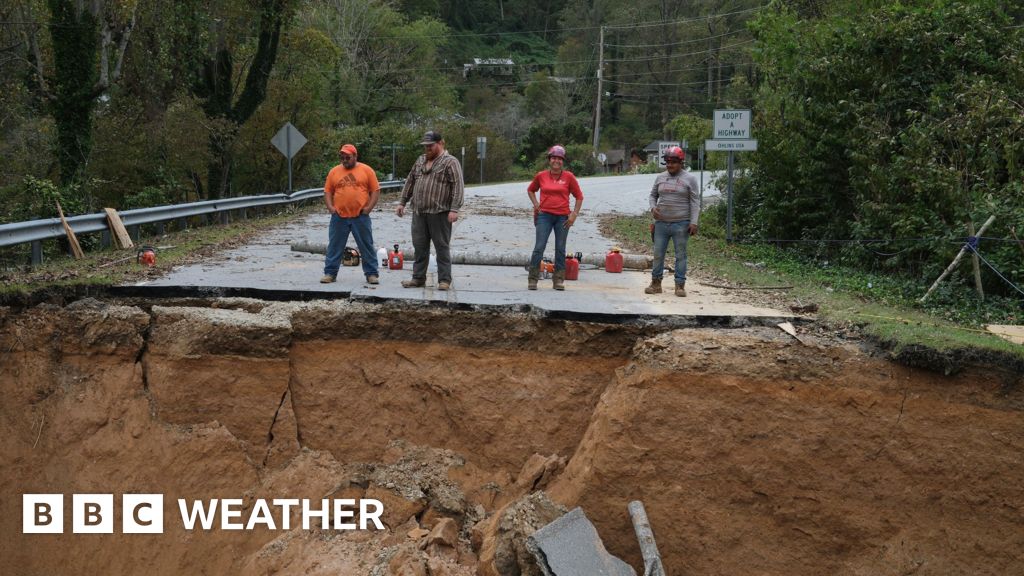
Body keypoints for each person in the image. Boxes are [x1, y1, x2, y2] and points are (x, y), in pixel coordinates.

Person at [395, 130, 464, 290]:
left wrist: (454, 209)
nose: (427, 148)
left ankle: (444, 280)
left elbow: (458, 186)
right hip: (419, 212)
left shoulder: (450, 162)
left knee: (442, 247)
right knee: (419, 247)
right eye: (425, 146)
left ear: (441, 143)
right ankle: (418, 278)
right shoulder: (420, 161)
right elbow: (410, 181)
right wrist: (402, 202)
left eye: (431, 145)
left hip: (440, 213)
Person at [321, 143, 381, 285]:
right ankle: (330, 273)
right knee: (335, 246)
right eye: (342, 157)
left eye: (347, 157)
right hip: (339, 217)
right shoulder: (334, 171)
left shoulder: (366, 170)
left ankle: (371, 274)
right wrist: (330, 207)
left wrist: (368, 209)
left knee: (366, 245)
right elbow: (328, 191)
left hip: (360, 217)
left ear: (355, 156)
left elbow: (375, 191)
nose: (344, 159)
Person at [527, 145, 583, 291]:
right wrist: (536, 204)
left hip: (563, 218)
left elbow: (579, 197)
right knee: (539, 247)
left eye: (559, 158)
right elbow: (531, 190)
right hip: (544, 216)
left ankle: (558, 280)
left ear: (562, 161)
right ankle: (533, 278)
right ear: (549, 160)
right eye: (553, 158)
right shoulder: (541, 176)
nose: (556, 161)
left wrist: (574, 215)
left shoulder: (569, 177)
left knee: (560, 248)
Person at [646, 145, 699, 297]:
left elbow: (695, 202)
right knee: (658, 254)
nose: (670, 165)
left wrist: (694, 222)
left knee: (680, 255)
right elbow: (652, 195)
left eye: (673, 162)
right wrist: (652, 207)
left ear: (681, 162)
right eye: (668, 162)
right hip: (661, 223)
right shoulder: (660, 177)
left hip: (681, 224)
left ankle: (680, 286)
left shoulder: (690, 179)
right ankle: (656, 284)